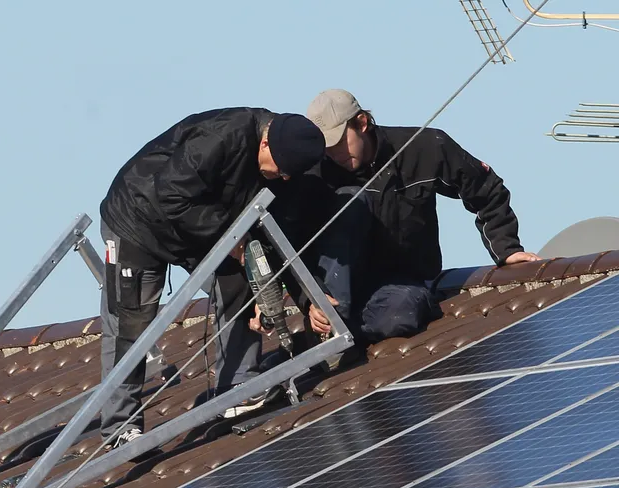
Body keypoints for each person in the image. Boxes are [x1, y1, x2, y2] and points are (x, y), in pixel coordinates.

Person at [97, 107, 327, 448]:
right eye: (280, 170)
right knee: (130, 323)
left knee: (241, 278)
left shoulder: (282, 162)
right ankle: (120, 428)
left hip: (194, 225)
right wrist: (231, 238)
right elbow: (170, 195)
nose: (283, 178)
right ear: (265, 143)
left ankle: (237, 387)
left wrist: (308, 301)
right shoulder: (221, 137)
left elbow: (279, 238)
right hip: (137, 222)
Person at [301, 89, 540, 351]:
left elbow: (485, 188)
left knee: (400, 316)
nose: (334, 154)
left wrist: (507, 249)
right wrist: (310, 300)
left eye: (339, 142)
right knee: (349, 201)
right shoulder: (316, 173)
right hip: (337, 289)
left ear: (361, 123)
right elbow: (291, 239)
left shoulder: (423, 148)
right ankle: (331, 327)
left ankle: (344, 332)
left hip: (400, 284)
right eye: (327, 148)